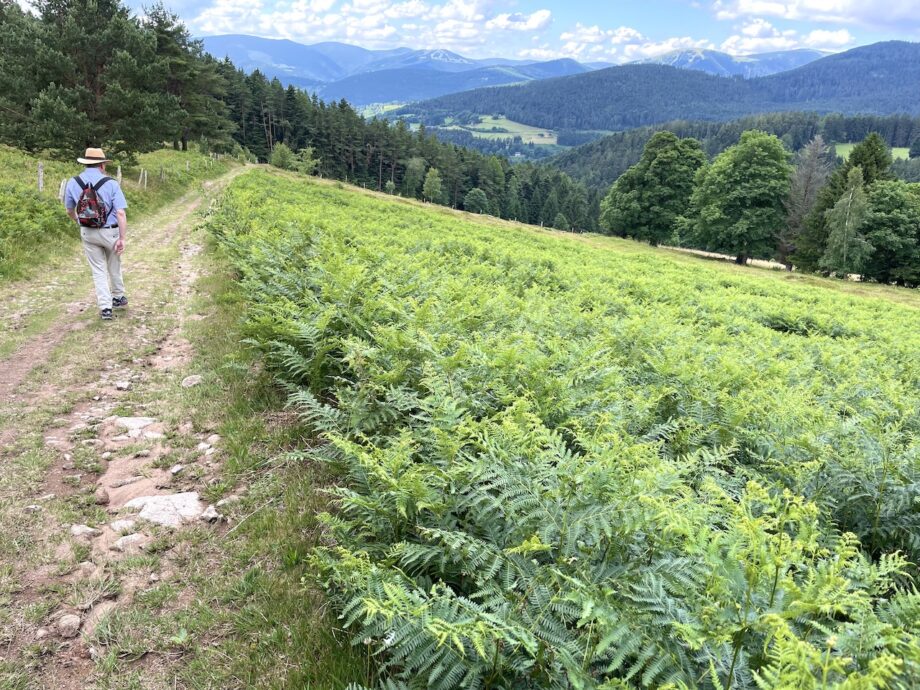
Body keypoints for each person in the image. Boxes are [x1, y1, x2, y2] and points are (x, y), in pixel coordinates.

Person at [64, 147, 129, 320]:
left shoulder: (73, 182)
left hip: (88, 232)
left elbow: (69, 210)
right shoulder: (111, 183)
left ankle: (105, 308)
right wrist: (122, 238)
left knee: (98, 270)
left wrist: (80, 221)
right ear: (102, 165)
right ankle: (118, 297)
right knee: (114, 264)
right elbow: (121, 213)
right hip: (110, 231)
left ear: (86, 163)